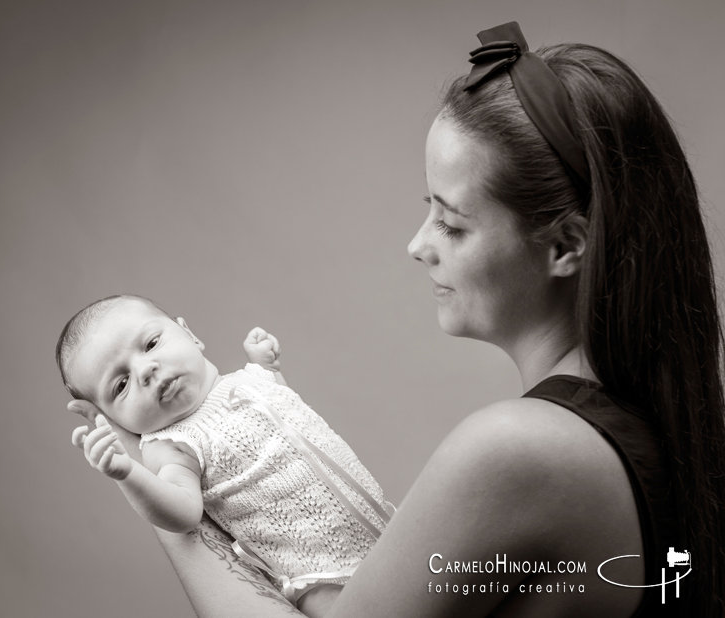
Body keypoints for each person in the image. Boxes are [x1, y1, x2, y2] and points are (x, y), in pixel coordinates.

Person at [67, 22, 725, 618]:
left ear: (565, 246)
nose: (419, 244)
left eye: (451, 221)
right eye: (425, 208)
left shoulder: (517, 452)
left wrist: (155, 476)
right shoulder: (651, 423)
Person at [58, 295, 392, 618]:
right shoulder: (173, 444)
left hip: (383, 526)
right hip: (321, 578)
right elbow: (184, 513)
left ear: (190, 334)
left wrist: (268, 368)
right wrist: (128, 473)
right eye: (120, 385)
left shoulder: (247, 379)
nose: (145, 370)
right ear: (112, 418)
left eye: (150, 344)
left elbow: (287, 421)